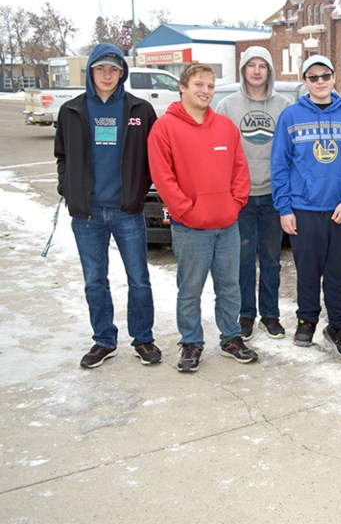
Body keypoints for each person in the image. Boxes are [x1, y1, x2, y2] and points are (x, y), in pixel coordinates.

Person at [55, 43, 160, 368]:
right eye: (101, 68)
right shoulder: (72, 110)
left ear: (122, 73)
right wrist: (68, 189)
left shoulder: (139, 110)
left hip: (126, 211)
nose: (107, 75)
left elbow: (154, 157)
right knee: (94, 280)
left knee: (139, 278)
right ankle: (103, 340)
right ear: (90, 72)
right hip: (87, 214)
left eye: (114, 69)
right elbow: (62, 156)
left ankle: (143, 339)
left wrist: (138, 191)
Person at [148, 62, 258, 372]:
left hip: (227, 224)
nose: (205, 91)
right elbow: (162, 175)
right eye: (198, 84)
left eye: (210, 86)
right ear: (182, 87)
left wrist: (235, 204)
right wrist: (186, 210)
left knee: (230, 286)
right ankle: (191, 342)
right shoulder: (165, 128)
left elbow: (240, 169)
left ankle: (231, 337)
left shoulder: (225, 127)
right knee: (190, 288)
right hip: (190, 227)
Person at [272, 55, 341, 357]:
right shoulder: (291, 116)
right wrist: (284, 208)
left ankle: (338, 326)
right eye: (313, 77)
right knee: (307, 272)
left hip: (340, 211)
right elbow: (280, 166)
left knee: (339, 273)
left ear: (334, 77)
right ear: (304, 80)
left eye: (325, 76)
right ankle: (306, 321)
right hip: (304, 210)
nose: (320, 82)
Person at [215, 46, 292, 340]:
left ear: (270, 70)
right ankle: (246, 314)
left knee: (272, 259)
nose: (257, 70)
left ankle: (270, 315)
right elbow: (219, 151)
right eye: (251, 65)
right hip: (241, 197)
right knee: (244, 259)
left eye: (263, 65)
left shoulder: (283, 106)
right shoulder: (228, 106)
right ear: (243, 70)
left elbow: (290, 152)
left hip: (273, 195)